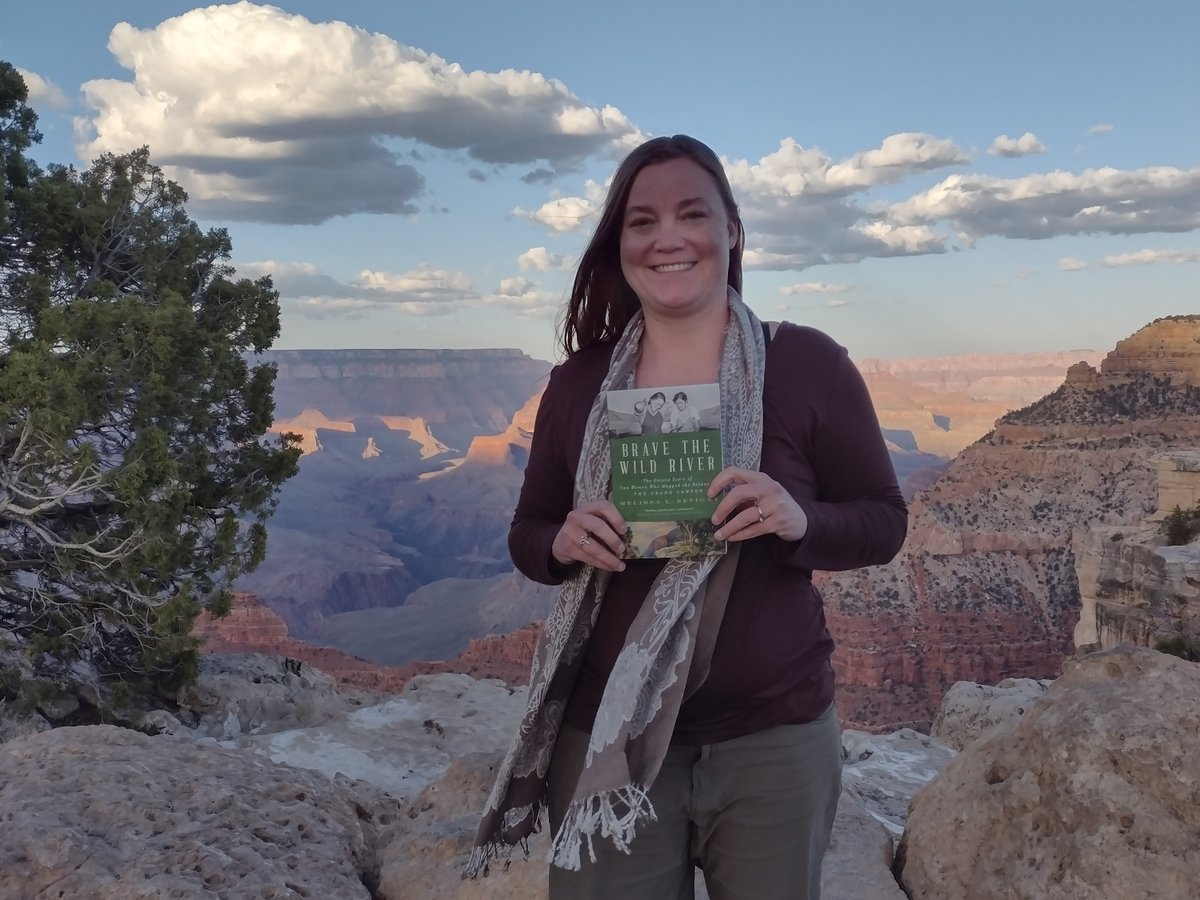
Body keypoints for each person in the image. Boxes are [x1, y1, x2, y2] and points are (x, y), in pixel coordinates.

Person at [469, 135, 907, 900]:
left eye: (691, 214)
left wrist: (798, 518)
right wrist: (563, 541)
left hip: (773, 741)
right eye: (642, 222)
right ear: (620, 244)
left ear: (731, 231)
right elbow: (528, 533)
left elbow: (883, 521)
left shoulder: (806, 364)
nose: (667, 238)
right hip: (605, 733)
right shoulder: (579, 384)